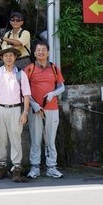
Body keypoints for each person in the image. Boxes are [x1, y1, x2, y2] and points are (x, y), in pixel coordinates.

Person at [0, 46, 31, 182]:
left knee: (15, 138)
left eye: (11, 55)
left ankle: (16, 167)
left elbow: (27, 95)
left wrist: (25, 113)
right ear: (1, 58)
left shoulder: (21, 74)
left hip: (15, 109)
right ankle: (2, 165)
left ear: (15, 57)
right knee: (0, 138)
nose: (8, 58)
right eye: (6, 56)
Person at [24, 41, 65, 179]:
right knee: (35, 139)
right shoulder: (29, 69)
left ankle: (51, 167)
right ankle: (34, 167)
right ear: (34, 53)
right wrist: (33, 104)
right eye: (38, 50)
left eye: (43, 50)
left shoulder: (54, 68)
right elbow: (24, 90)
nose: (41, 52)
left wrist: (53, 93)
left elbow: (62, 86)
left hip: (52, 108)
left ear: (48, 52)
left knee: (50, 139)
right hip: (36, 109)